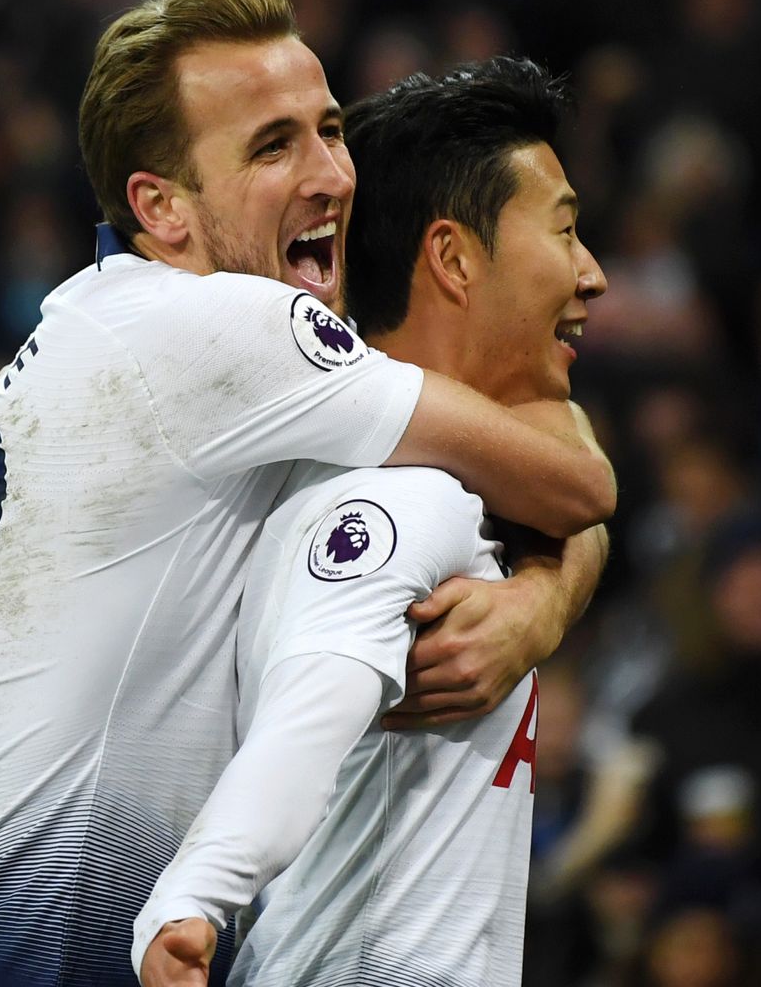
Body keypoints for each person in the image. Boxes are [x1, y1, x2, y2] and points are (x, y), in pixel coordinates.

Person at [0, 0, 614, 984]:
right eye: (273, 147)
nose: (330, 175)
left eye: (328, 129)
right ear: (162, 207)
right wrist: (540, 602)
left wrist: (538, 596)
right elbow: (568, 479)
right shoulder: (229, 332)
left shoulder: (104, 343)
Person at [134, 55, 608, 985]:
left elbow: (577, 473)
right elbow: (312, 711)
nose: (591, 274)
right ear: (454, 258)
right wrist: (195, 897)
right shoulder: (390, 496)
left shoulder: (446, 468)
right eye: (565, 231)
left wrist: (544, 599)